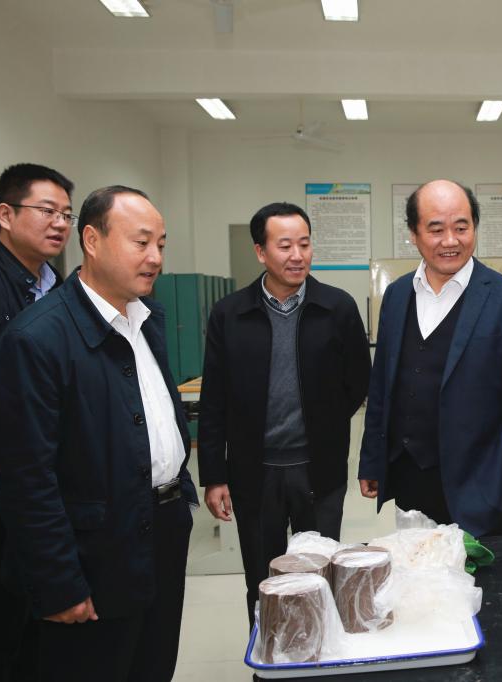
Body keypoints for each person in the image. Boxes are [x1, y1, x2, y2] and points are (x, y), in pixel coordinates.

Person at [0, 186, 198, 682]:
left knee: (152, 665)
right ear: (92, 240)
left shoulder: (145, 320)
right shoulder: (37, 339)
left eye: (161, 245)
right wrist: (58, 582)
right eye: (141, 242)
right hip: (94, 553)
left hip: (161, 532)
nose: (155, 258)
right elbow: (27, 479)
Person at [198, 201, 370, 625]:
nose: (297, 255)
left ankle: (321, 651)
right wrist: (214, 475)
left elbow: (359, 382)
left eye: (305, 244)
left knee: (320, 577)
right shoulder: (229, 314)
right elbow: (214, 398)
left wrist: (324, 422)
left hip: (319, 471)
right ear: (261, 251)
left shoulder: (337, 308)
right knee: (263, 581)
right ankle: (270, 651)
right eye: (285, 245)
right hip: (254, 474)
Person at [358, 179, 502, 536]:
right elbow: (382, 385)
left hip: (482, 490)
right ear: (413, 234)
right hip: (409, 478)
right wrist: (373, 460)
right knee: (417, 567)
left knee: (484, 574)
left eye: (462, 227)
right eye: (436, 229)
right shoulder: (397, 296)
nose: (450, 240)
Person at [0, 163, 74, 679]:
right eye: (47, 211)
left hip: (47, 488)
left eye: (66, 214)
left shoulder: (56, 288)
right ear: (5, 214)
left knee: (41, 631)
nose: (60, 223)